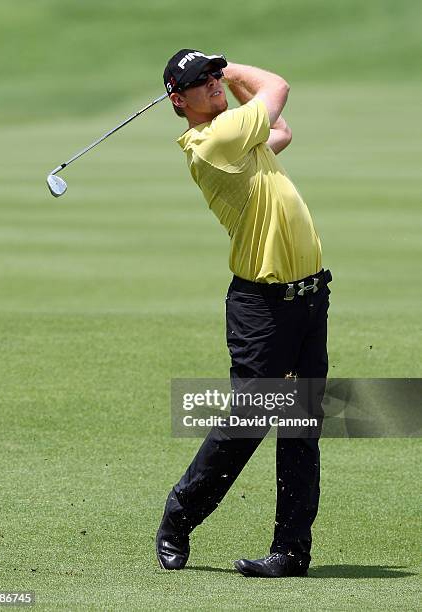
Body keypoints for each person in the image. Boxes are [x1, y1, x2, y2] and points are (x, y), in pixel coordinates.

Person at [157, 49, 332, 578]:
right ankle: (179, 515)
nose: (212, 83)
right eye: (200, 81)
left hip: (308, 299)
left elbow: (281, 131)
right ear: (177, 100)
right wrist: (233, 72)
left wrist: (219, 79)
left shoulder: (239, 137)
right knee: (252, 420)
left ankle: (291, 552)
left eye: (213, 76)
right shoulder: (213, 142)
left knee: (301, 425)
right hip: (262, 306)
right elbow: (276, 87)